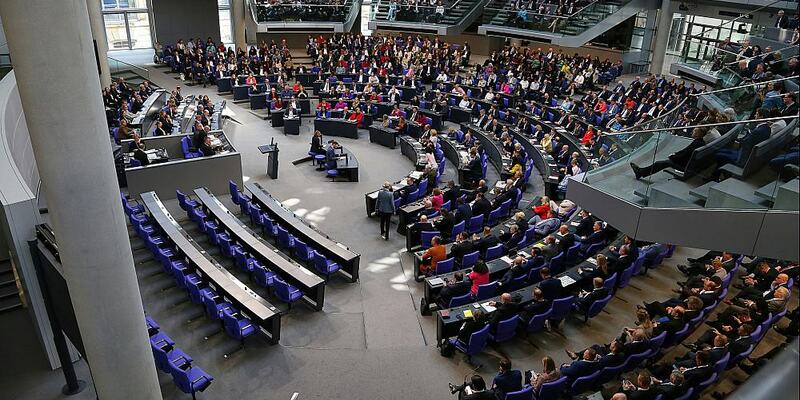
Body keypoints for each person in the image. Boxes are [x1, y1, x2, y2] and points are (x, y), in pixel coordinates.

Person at [631, 127, 706, 179]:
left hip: (685, 166)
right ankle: (641, 171)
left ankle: (640, 173)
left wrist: (673, 157)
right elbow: (685, 152)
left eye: (695, 131)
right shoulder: (700, 142)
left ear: (699, 134)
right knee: (662, 163)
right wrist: (675, 154)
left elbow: (685, 155)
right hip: (688, 163)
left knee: (661, 163)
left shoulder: (696, 143)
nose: (692, 132)